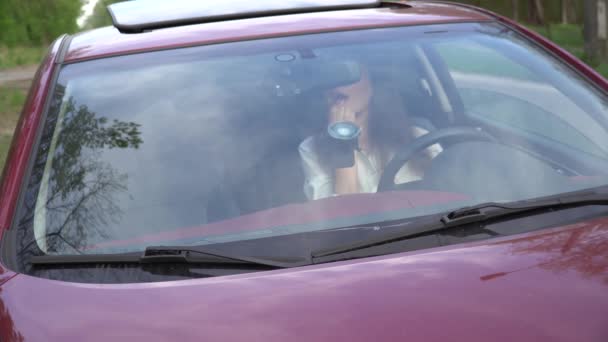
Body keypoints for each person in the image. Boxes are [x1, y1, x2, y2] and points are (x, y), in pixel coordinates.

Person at [298, 65, 441, 200]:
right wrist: (343, 143)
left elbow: (449, 188)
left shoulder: (419, 137)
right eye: (330, 77)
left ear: (373, 84)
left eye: (348, 74)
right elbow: (342, 215)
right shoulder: (311, 149)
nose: (336, 86)